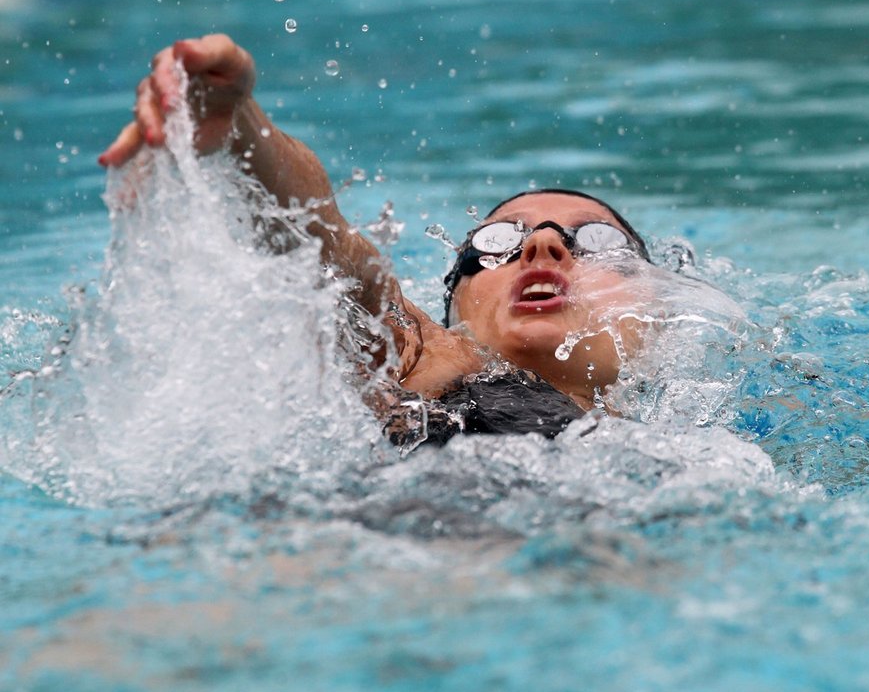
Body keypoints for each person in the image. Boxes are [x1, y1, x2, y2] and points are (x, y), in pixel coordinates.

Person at [99, 34, 655, 446]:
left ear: (659, 313)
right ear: (455, 306)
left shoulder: (704, 435)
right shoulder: (426, 357)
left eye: (598, 242)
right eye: (499, 241)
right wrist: (239, 125)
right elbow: (326, 248)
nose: (544, 248)